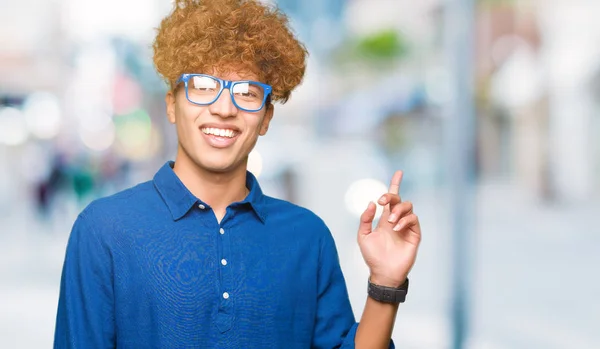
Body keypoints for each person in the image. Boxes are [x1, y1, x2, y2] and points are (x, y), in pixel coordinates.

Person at [53, 0, 422, 348]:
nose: (224, 108)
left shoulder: (308, 237)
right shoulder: (103, 230)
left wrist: (385, 284)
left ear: (265, 118)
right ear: (171, 105)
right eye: (203, 86)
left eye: (246, 92)